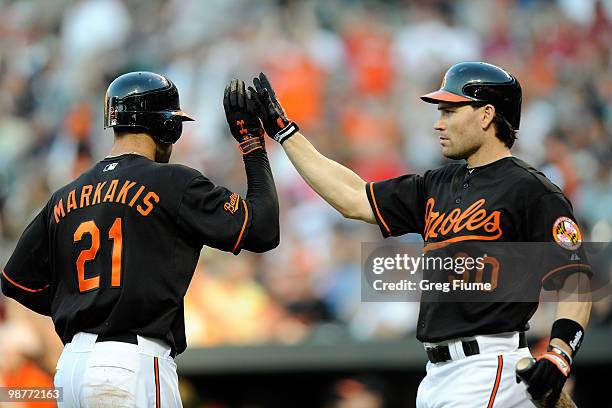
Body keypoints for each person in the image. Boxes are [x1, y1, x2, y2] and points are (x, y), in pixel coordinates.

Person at [249, 62, 592, 407]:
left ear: (486, 115)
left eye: (449, 111)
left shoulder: (531, 190)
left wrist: (560, 354)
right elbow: (354, 197)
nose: (438, 122)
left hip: (488, 365)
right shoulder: (437, 184)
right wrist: (286, 134)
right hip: (438, 374)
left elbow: (574, 280)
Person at [1, 72, 279, 407]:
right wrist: (252, 144)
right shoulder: (173, 182)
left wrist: (77, 304)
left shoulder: (64, 196)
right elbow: (263, 230)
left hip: (71, 368)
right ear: (166, 127)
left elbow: (15, 281)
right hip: (132, 364)